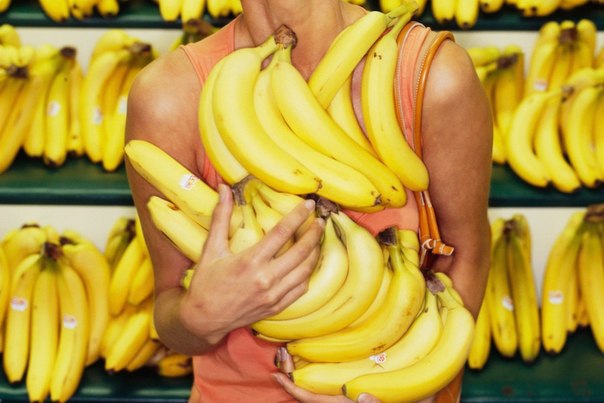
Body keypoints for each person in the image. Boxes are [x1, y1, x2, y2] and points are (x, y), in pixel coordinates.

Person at [124, 0, 493, 402]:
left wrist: (410, 386)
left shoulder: (432, 76)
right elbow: (170, 316)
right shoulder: (168, 96)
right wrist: (199, 317)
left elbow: (465, 257)